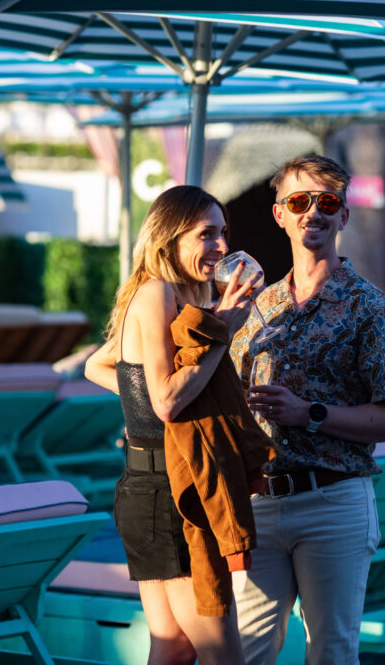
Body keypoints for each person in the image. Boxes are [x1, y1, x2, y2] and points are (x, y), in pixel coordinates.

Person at [230, 155, 385, 665]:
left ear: (343, 216)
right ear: (280, 215)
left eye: (326, 202)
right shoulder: (254, 309)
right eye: (299, 201)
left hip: (332, 502)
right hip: (259, 502)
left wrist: (310, 413)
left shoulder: (371, 309)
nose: (312, 211)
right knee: (245, 653)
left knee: (332, 654)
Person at [85, 185, 259, 665]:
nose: (221, 246)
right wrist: (220, 331)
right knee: (224, 655)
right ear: (169, 238)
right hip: (166, 492)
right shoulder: (154, 293)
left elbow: (99, 366)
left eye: (223, 233)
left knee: (174, 648)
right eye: (207, 234)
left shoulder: (188, 293)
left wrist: (142, 409)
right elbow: (166, 400)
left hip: (154, 482)